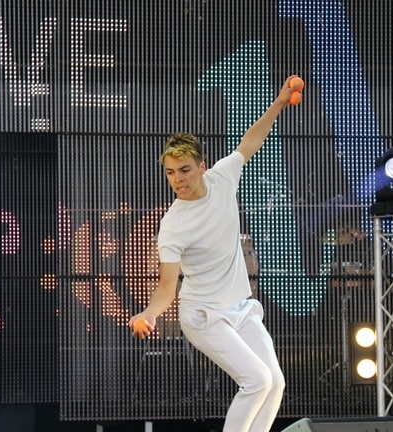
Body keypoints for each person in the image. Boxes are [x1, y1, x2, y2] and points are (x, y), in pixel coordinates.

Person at [128, 75, 302, 432]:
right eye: (171, 173)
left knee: (275, 382)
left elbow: (250, 141)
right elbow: (166, 286)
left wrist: (280, 103)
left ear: (202, 166)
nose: (178, 179)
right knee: (256, 382)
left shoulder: (223, 176)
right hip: (204, 315)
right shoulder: (173, 224)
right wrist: (148, 313)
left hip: (241, 308)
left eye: (185, 170)